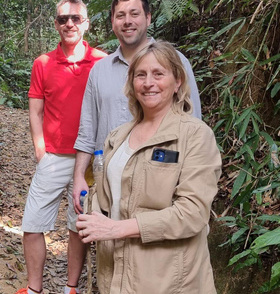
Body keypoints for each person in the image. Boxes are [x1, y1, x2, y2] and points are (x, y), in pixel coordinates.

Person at [75, 41, 222, 294]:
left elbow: (192, 213)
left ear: (178, 80)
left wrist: (115, 229)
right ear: (131, 83)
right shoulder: (117, 137)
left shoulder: (195, 136)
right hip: (119, 281)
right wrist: (94, 214)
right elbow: (106, 196)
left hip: (167, 288)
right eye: (140, 75)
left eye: (159, 74)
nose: (148, 83)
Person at [0, 1, 106, 294]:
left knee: (77, 225)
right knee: (32, 223)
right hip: (54, 155)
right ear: (56, 24)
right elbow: (35, 109)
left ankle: (71, 291)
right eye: (63, 19)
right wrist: (40, 150)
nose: (69, 23)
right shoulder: (42, 63)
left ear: (86, 23)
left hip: (89, 160)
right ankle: (33, 292)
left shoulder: (101, 62)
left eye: (75, 18)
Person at [72, 0, 202, 214]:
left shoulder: (176, 62)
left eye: (134, 13)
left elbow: (194, 121)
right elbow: (87, 131)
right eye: (120, 15)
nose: (127, 21)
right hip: (109, 184)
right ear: (112, 22)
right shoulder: (100, 71)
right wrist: (78, 177)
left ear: (148, 18)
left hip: (162, 182)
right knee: (110, 243)